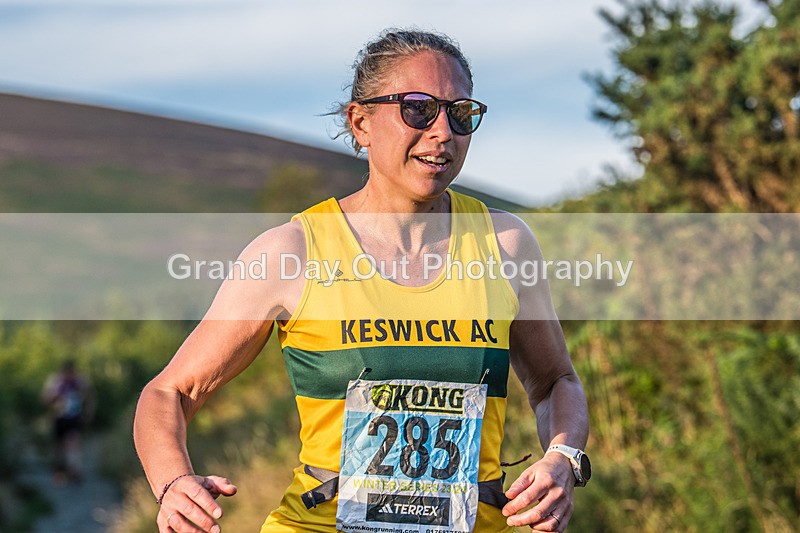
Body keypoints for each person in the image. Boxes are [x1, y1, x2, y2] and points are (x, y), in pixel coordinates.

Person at [134, 29, 590, 533]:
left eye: (460, 113)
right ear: (360, 122)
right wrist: (173, 484)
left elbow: (556, 382)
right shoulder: (292, 252)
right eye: (419, 109)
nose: (443, 132)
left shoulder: (505, 244)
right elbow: (169, 391)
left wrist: (563, 458)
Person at [42, 359, 92, 484]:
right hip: (59, 417)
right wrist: (56, 397)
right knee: (59, 446)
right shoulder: (56, 381)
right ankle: (61, 472)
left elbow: (88, 396)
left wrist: (87, 412)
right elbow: (46, 399)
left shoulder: (79, 381)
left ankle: (74, 470)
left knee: (73, 443)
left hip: (74, 417)